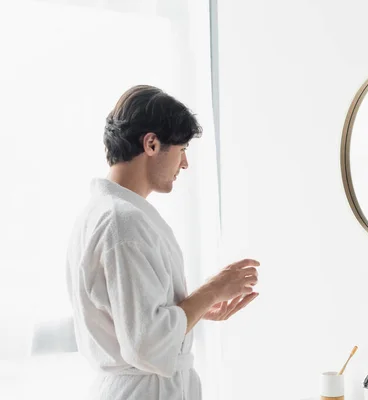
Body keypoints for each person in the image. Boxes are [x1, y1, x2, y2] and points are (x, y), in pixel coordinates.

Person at [66, 85, 260, 400]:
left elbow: (131, 321)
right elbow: (146, 343)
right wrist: (212, 290)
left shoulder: (106, 213)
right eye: (182, 149)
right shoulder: (122, 224)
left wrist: (196, 308)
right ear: (152, 144)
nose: (184, 164)